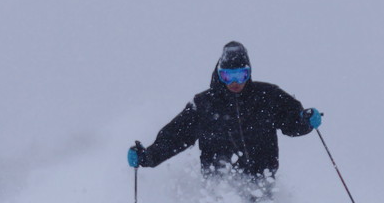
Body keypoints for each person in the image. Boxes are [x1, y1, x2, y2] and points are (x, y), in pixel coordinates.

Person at [127, 41, 321, 194]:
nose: (235, 83)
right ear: (220, 75)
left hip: (261, 184)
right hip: (219, 188)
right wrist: (148, 156)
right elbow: (176, 136)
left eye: (241, 75)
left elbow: (292, 122)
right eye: (229, 76)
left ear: (249, 73)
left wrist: (305, 120)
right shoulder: (203, 105)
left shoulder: (267, 97)